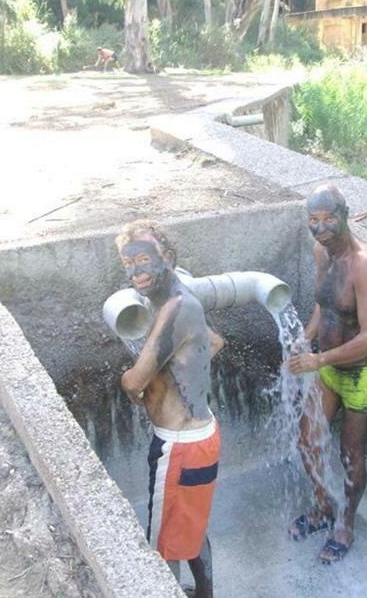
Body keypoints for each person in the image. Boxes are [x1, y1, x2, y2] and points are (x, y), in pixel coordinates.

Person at [116, 220, 225, 598]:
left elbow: (134, 381)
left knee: (162, 544)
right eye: (128, 264)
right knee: (191, 529)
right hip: (198, 438)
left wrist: (137, 382)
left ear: (168, 258)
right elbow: (214, 342)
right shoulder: (177, 302)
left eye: (144, 260)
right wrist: (177, 373)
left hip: (178, 447)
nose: (136, 272)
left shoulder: (175, 308)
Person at [286, 183, 367, 565]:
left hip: (363, 371)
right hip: (327, 365)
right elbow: (324, 307)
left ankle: (345, 524)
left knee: (350, 454)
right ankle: (323, 507)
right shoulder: (321, 252)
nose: (321, 227)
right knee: (308, 441)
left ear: (345, 214)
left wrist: (317, 361)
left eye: (329, 218)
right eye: (313, 220)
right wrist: (304, 339)